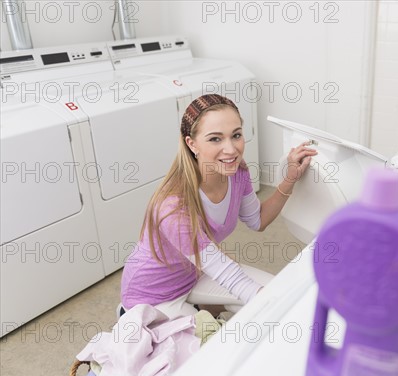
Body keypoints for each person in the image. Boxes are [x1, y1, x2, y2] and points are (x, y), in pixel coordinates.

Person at [120, 94, 317, 319]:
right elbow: (229, 275)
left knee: (275, 293)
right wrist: (286, 309)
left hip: (195, 275)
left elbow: (258, 220)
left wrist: (290, 178)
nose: (231, 149)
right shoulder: (173, 207)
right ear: (191, 143)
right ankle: (131, 317)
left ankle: (202, 308)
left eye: (236, 135)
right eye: (215, 139)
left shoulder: (237, 173)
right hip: (153, 295)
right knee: (205, 347)